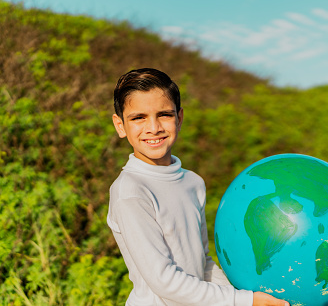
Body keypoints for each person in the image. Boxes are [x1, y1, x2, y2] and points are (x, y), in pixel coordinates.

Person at [107, 68, 289, 306]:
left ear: (179, 118)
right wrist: (244, 301)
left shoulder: (193, 182)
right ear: (120, 125)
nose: (153, 127)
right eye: (138, 117)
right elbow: (163, 280)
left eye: (164, 114)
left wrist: (247, 299)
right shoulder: (130, 191)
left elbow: (203, 263)